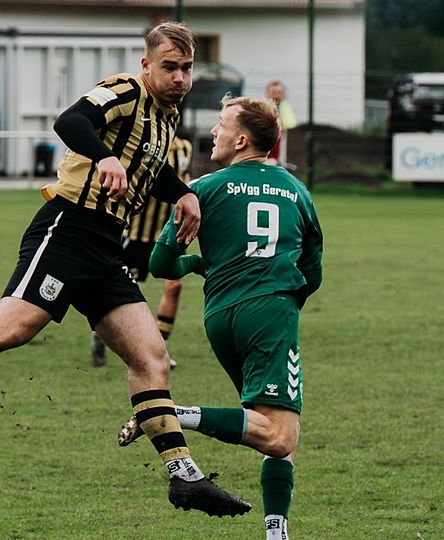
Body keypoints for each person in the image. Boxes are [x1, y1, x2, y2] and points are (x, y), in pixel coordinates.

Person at [0, 21, 251, 517]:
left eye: (186, 68)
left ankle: (185, 478)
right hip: (68, 228)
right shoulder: (124, 91)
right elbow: (70, 121)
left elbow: (149, 169)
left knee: (151, 357)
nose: (180, 77)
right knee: (14, 327)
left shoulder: (166, 115)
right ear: (146, 65)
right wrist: (103, 157)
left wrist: (182, 193)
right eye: (169, 67)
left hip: (107, 246)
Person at [116, 95, 323, 540]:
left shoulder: (203, 190)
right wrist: (283, 302)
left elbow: (161, 264)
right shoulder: (296, 191)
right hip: (269, 314)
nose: (214, 130)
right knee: (281, 434)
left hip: (219, 317)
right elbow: (313, 271)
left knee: (269, 424)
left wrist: (198, 263)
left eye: (222, 124)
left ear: (242, 140)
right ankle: (174, 413)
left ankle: (276, 531)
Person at [90, 135, 193, 369]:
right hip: (136, 235)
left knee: (174, 286)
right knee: (116, 294)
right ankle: (99, 336)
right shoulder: (145, 142)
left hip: (169, 234)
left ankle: (160, 349)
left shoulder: (185, 147)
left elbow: (185, 180)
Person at [265, 81, 297, 167]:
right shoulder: (263, 108)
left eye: (279, 93)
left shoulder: (286, 107)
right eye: (273, 92)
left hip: (281, 155)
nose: (276, 96)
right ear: (267, 93)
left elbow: (291, 126)